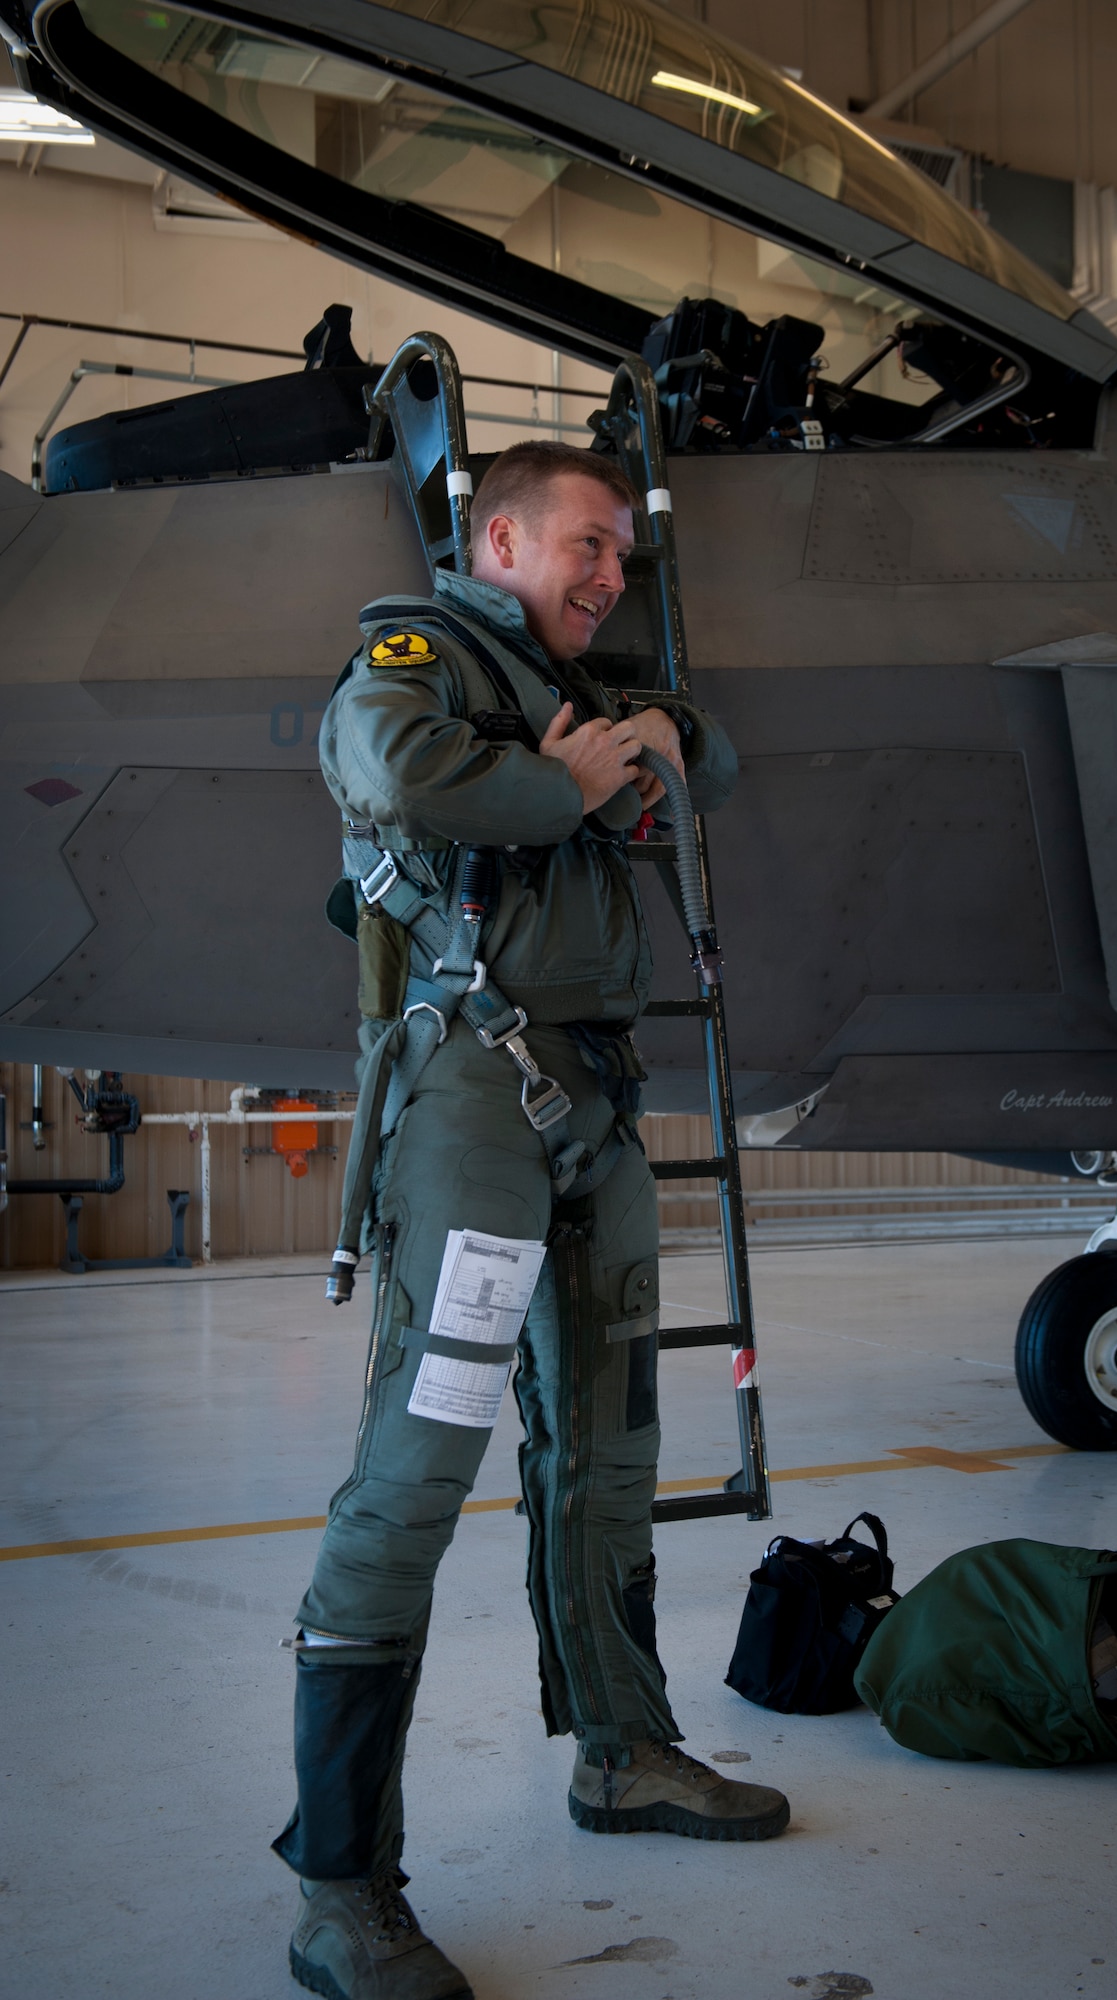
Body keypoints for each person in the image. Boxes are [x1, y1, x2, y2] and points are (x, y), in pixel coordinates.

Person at [274, 440, 789, 2000]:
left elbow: (708, 751)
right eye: (585, 544)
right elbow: (378, 765)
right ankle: (341, 1890)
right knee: (418, 1471)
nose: (609, 573)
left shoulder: (587, 678)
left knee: (612, 1453)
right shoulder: (417, 656)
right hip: (473, 1112)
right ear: (499, 537)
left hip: (600, 1118)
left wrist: (627, 742)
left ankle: (625, 1755)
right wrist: (556, 783)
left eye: (621, 555)